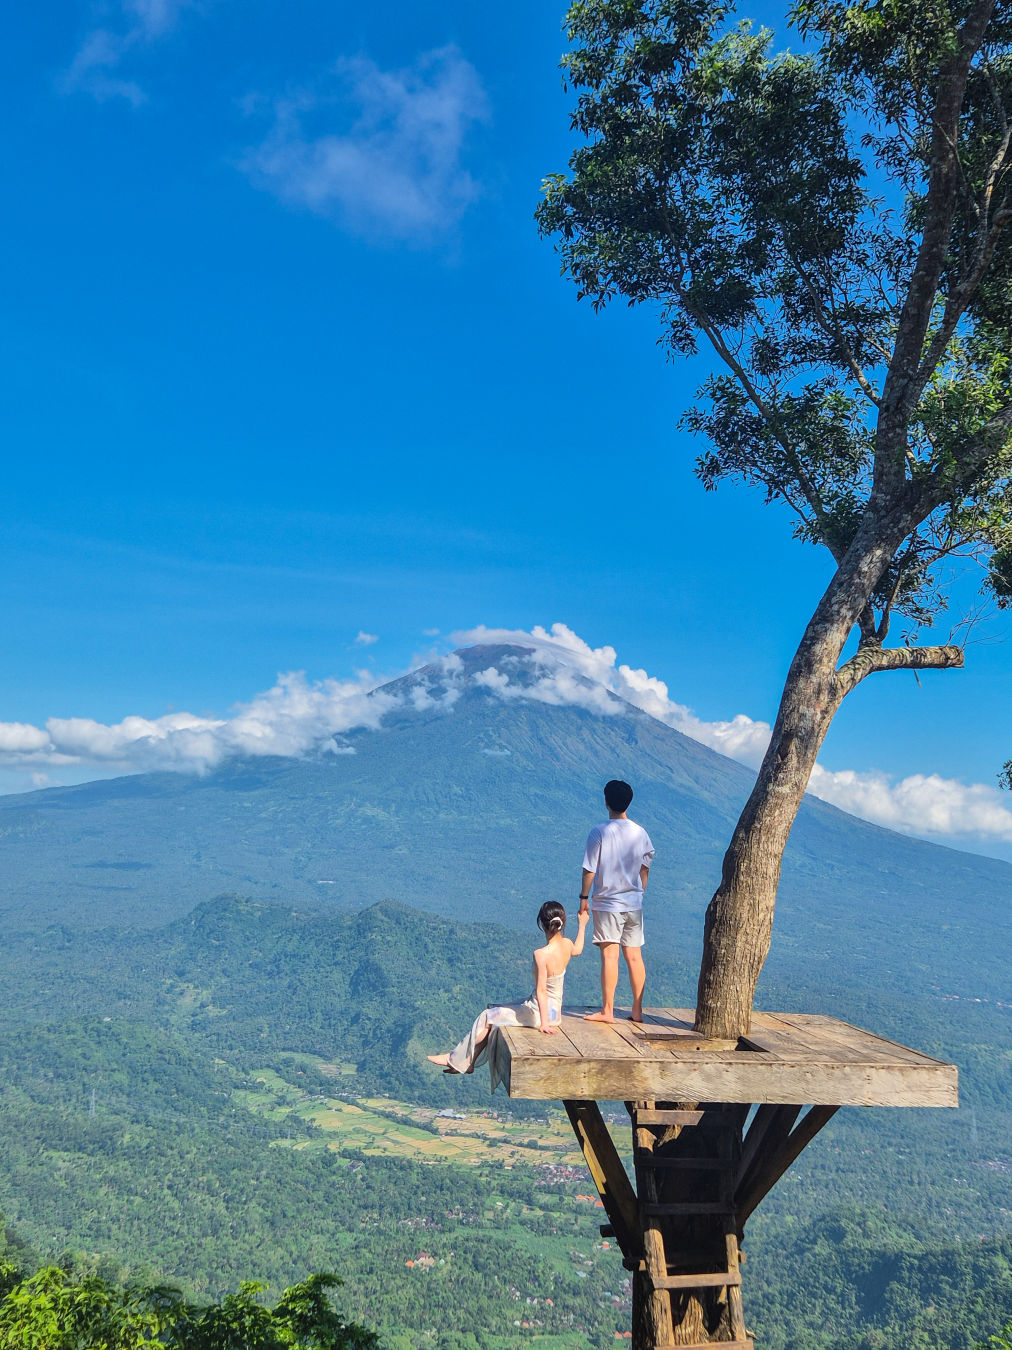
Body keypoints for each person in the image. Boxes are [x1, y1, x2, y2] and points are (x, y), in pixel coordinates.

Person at [427, 901, 589, 1074]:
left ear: (542, 924)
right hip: (555, 1013)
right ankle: (466, 1062)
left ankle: (454, 1059)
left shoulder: (541, 954)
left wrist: (543, 1023)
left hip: (539, 1013)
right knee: (496, 1014)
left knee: (487, 1016)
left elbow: (542, 991)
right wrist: (582, 924)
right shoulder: (566, 944)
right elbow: (578, 950)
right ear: (562, 923)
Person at [580, 779, 654, 1023]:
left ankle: (608, 1011)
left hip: (608, 903)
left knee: (610, 956)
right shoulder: (640, 832)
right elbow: (645, 868)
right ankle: (637, 1010)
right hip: (634, 902)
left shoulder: (599, 831)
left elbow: (590, 869)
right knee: (634, 956)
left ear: (606, 801)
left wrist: (583, 898)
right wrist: (639, 892)